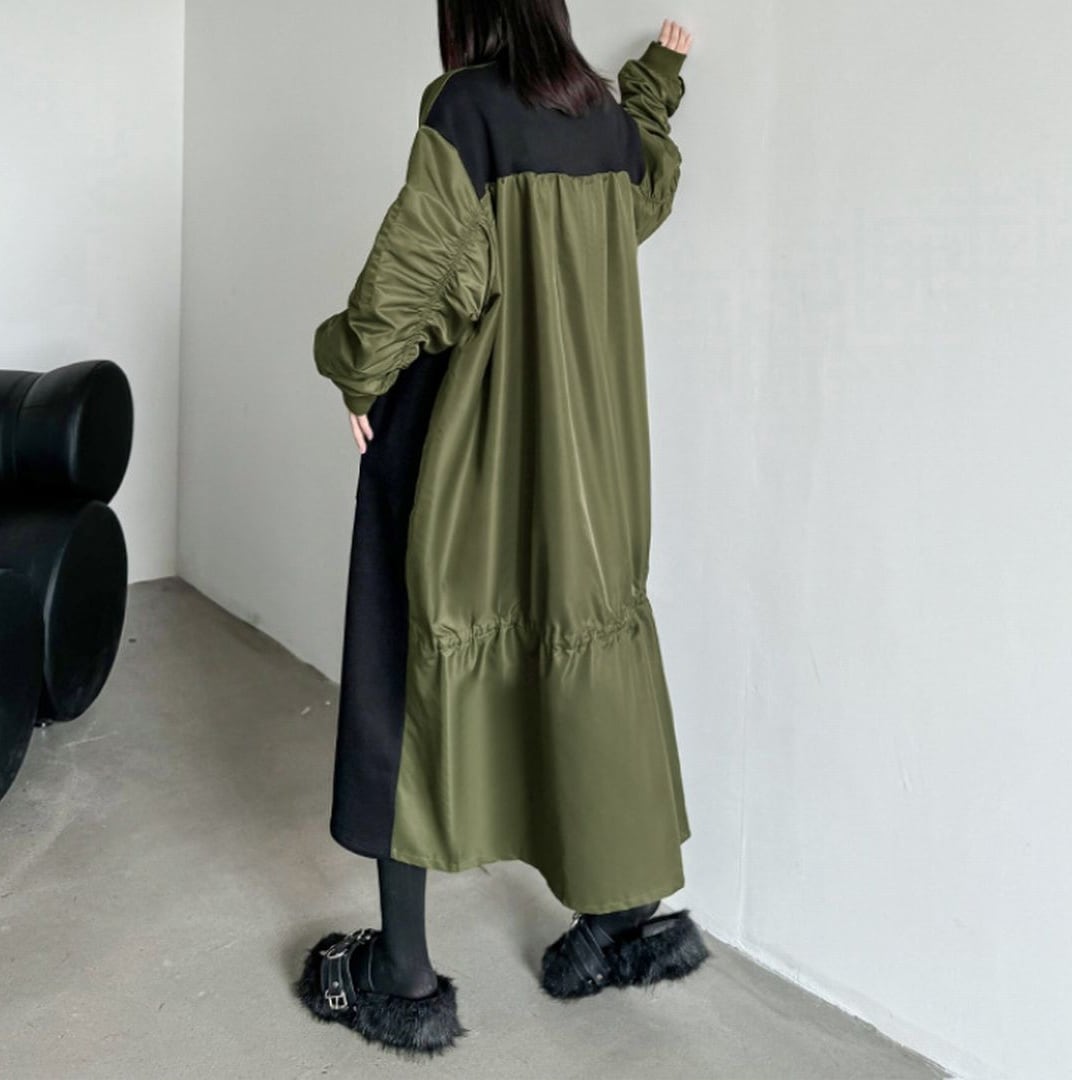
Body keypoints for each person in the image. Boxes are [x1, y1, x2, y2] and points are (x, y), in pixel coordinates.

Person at [296, 2, 708, 1056]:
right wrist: (654, 88)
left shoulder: (468, 114)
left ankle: (401, 978)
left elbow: (419, 276)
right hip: (590, 463)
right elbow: (648, 192)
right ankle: (624, 918)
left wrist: (353, 364)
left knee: (400, 674)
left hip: (466, 450)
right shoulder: (603, 120)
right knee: (589, 648)